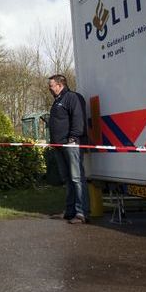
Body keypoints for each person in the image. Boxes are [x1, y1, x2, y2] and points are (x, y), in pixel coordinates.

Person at [47, 74, 90, 224]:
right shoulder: (58, 101)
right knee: (68, 179)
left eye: (51, 85)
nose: (49, 89)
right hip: (59, 145)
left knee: (77, 178)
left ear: (60, 85)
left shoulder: (72, 97)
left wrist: (73, 137)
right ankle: (69, 211)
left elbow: (78, 118)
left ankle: (81, 213)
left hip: (70, 144)